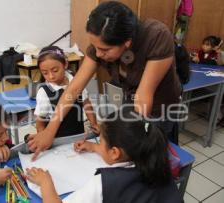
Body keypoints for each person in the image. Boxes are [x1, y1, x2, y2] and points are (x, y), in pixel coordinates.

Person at [28, 1, 182, 160]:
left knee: (152, 156)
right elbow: (74, 89)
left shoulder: (156, 36)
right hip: (132, 101)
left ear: (127, 42)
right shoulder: (100, 47)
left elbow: (143, 97)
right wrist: (49, 131)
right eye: (95, 47)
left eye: (104, 49)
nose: (98, 54)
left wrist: (127, 143)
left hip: (161, 106)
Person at [25, 110, 182, 203]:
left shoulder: (103, 183)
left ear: (115, 152)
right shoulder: (158, 162)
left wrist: (45, 183)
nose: (99, 145)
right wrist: (94, 147)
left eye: (101, 142)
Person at [34, 46, 99, 137]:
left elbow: (87, 104)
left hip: (78, 134)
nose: (51, 76)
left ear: (65, 64)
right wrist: (42, 138)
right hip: (57, 140)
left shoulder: (76, 82)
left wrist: (94, 124)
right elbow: (40, 123)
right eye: (45, 73)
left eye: (55, 70)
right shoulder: (44, 92)